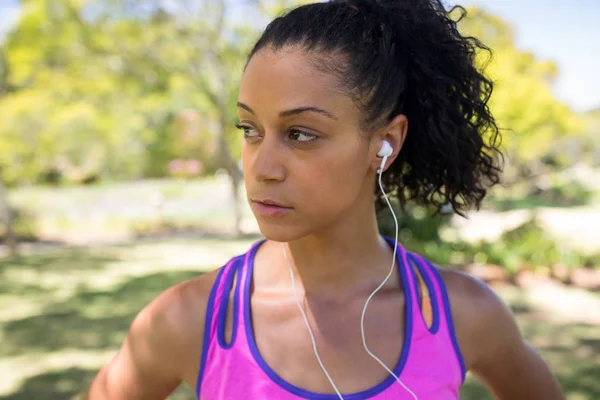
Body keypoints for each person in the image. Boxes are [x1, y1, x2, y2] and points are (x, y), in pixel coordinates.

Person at [81, 0, 565, 399]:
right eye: (250, 129)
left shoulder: (463, 314)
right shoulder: (191, 319)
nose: (263, 167)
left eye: (300, 133)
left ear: (385, 144)